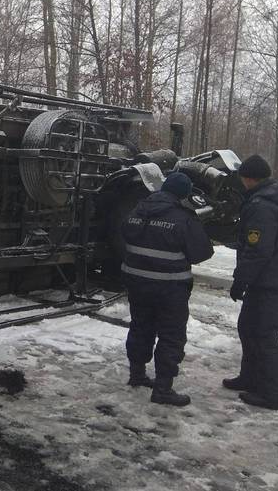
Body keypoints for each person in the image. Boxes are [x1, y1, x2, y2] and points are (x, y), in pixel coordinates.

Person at [121, 172, 214, 407]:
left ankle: (137, 374)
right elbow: (202, 252)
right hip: (170, 287)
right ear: (183, 194)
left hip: (137, 283)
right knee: (171, 335)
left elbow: (123, 235)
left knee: (140, 326)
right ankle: (163, 388)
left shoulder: (137, 211)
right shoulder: (183, 218)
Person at [226, 155, 278, 411]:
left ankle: (271, 394)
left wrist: (240, 280)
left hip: (265, 279)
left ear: (249, 177)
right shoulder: (277, 196)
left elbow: (258, 250)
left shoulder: (262, 205)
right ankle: (250, 378)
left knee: (265, 336)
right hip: (270, 276)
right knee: (248, 328)